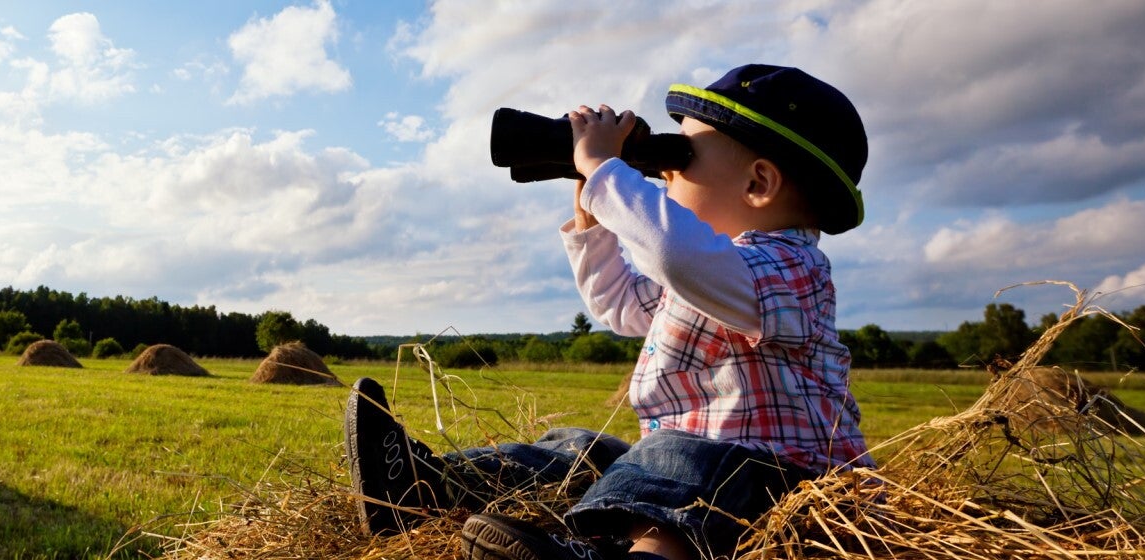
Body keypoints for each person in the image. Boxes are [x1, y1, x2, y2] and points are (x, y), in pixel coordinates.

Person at [346, 64, 874, 560]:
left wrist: (606, 172)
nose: (664, 175)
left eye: (681, 160)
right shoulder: (718, 276)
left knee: (676, 461)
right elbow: (622, 305)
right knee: (579, 449)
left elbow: (674, 253)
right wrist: (592, 221)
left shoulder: (791, 269)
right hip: (696, 467)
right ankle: (421, 486)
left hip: (786, 483)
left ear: (758, 184)